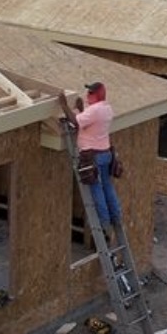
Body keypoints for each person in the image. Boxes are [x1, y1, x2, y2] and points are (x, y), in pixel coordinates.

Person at [58, 81, 123, 237]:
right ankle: (116, 217)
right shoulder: (107, 108)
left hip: (92, 157)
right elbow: (87, 123)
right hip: (106, 154)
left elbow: (75, 122)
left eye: (91, 93)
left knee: (96, 190)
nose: (88, 95)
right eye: (88, 93)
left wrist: (64, 106)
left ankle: (104, 223)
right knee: (108, 187)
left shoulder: (94, 110)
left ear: (98, 95)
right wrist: (80, 109)